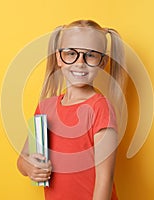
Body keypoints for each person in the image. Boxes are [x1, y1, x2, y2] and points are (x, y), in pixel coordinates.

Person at [17, 19, 127, 200]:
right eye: (71, 53)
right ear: (59, 58)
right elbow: (22, 159)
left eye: (91, 55)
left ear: (102, 62)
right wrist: (29, 167)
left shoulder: (100, 109)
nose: (80, 63)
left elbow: (104, 182)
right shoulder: (46, 107)